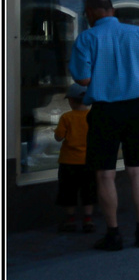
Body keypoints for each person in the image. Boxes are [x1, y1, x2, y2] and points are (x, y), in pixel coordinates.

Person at [71, 0, 139, 251]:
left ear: (90, 12)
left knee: (105, 174)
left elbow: (82, 79)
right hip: (136, 108)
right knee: (137, 170)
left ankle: (113, 235)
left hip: (105, 110)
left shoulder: (87, 37)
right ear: (111, 9)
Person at [53, 92, 96, 233]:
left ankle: (70, 220)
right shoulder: (93, 116)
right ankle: (88, 219)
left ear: (71, 100)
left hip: (68, 161)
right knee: (88, 191)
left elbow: (59, 137)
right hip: (89, 161)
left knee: (68, 191)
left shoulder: (66, 117)